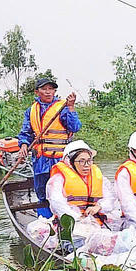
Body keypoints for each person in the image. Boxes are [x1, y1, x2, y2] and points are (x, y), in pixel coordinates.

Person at [17, 77, 80, 218]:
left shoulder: (63, 107)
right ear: (37, 92)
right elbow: (26, 132)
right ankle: (45, 221)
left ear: (54, 91)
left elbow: (75, 127)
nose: (48, 92)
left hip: (60, 159)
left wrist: (71, 107)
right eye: (44, 89)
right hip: (41, 159)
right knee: (42, 191)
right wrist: (24, 145)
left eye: (51, 89)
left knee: (63, 191)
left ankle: (67, 219)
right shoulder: (31, 110)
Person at [46, 140, 118, 227]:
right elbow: (57, 204)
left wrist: (99, 207)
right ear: (70, 162)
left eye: (89, 160)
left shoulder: (98, 176)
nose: (86, 165)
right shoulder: (58, 179)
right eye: (81, 161)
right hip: (72, 224)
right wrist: (78, 219)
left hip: (97, 223)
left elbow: (110, 198)